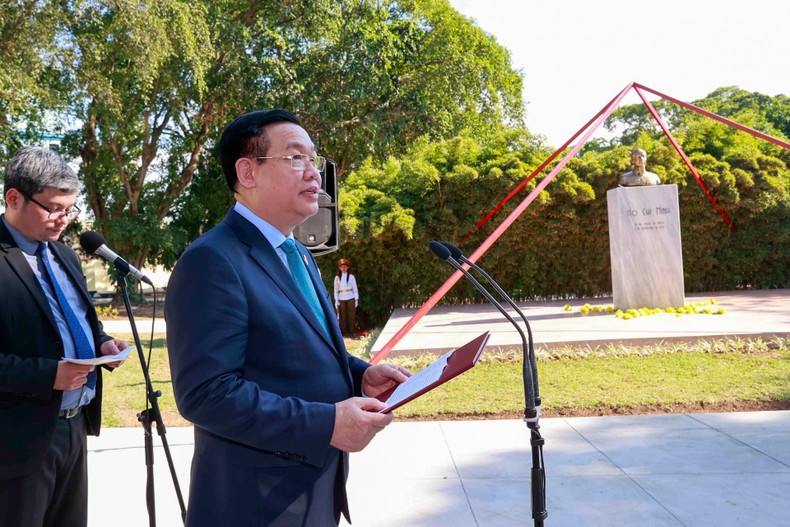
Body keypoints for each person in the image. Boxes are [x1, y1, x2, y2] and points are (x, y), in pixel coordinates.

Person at [165, 110, 410, 526]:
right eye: (296, 158)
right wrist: (326, 423)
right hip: (255, 504)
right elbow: (206, 394)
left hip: (313, 490)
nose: (315, 174)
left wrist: (359, 375)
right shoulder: (212, 260)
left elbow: (293, 352)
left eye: (315, 160)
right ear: (248, 172)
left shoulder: (298, 254)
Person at [0, 146, 129, 526]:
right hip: (17, 439)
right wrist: (49, 375)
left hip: (74, 427)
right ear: (13, 198)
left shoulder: (64, 255)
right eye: (54, 208)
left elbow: (81, 322)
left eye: (70, 209)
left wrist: (103, 342)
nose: (64, 220)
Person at [333, 258, 359, 337]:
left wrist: (356, 299)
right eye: (342, 267)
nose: (343, 268)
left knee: (351, 315)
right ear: (339, 268)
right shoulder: (337, 278)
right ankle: (344, 332)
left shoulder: (351, 277)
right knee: (342, 316)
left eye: (345, 266)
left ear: (348, 267)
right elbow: (336, 290)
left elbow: (355, 289)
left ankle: (352, 331)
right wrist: (336, 300)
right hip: (341, 298)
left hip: (350, 297)